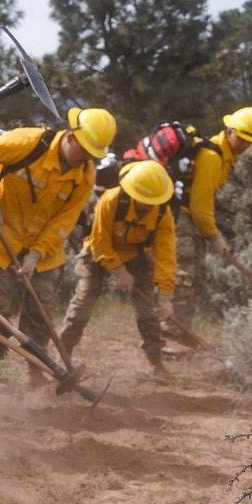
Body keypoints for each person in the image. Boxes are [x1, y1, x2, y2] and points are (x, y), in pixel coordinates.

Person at [0, 108, 111, 383]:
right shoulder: (27, 142)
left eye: (93, 154)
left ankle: (35, 372)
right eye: (84, 149)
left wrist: (36, 254)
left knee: (40, 315)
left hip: (45, 252)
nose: (87, 157)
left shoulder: (84, 177)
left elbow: (65, 221)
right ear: (70, 137)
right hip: (1, 239)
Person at [59, 160, 176, 377]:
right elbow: (100, 242)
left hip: (134, 254)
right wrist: (119, 271)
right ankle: (61, 358)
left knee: (148, 310)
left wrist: (166, 296)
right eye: (144, 200)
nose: (148, 205)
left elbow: (166, 255)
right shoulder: (111, 200)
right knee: (82, 305)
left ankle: (156, 362)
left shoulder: (162, 213)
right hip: (98, 253)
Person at [169, 106, 252, 329]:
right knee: (184, 275)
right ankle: (170, 328)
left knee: (197, 276)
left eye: (250, 141)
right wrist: (213, 235)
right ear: (229, 131)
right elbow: (200, 205)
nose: (245, 145)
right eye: (241, 139)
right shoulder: (212, 157)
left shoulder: (224, 156)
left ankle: (181, 329)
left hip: (191, 218)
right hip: (181, 216)